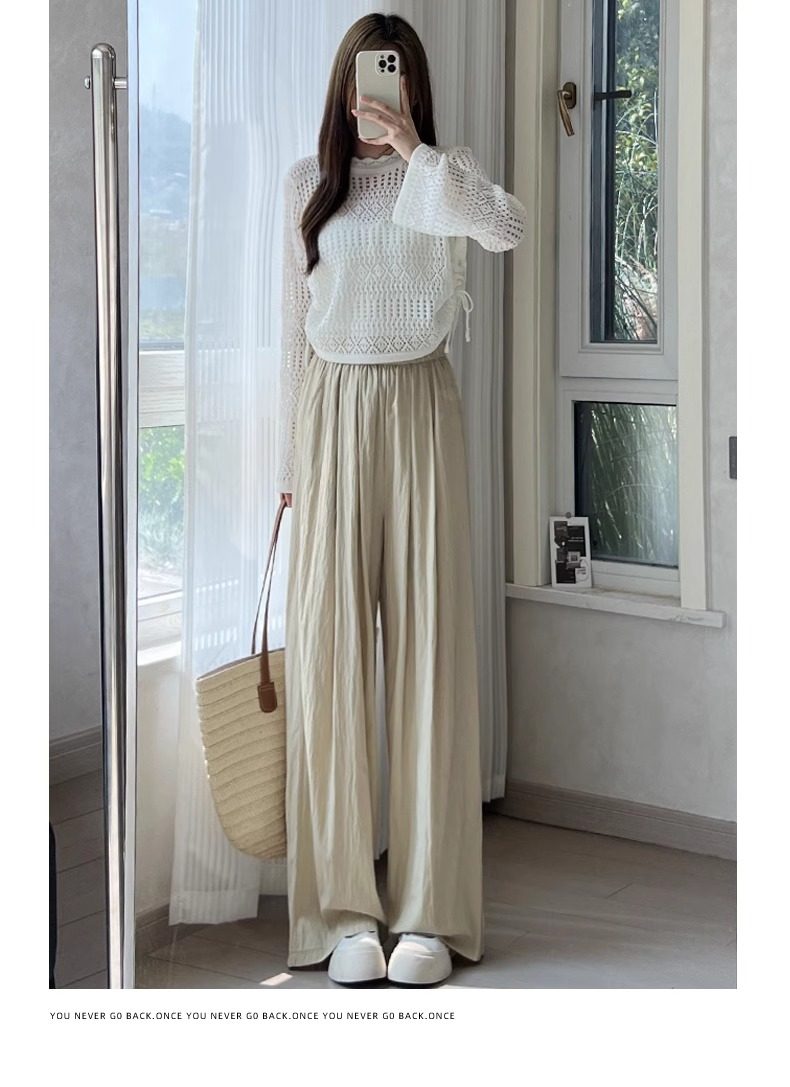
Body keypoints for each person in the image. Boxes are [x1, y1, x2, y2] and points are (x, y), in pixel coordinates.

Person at [276, 12, 527, 986]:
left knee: (430, 655)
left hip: (421, 404)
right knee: (332, 661)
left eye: (391, 75)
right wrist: (290, 468)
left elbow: (508, 229)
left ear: (412, 85)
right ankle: (343, 912)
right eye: (363, 77)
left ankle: (427, 910)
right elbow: (290, 328)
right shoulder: (308, 184)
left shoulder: (444, 176)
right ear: (343, 87)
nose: (374, 93)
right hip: (330, 410)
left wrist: (418, 152)